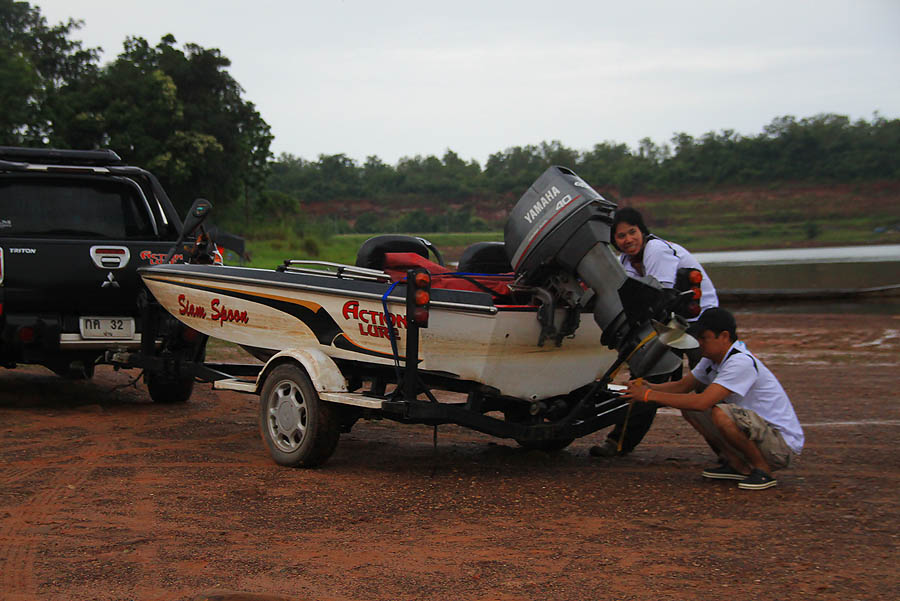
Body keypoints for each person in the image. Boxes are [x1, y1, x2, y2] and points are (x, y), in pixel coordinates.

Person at [621, 308, 804, 490]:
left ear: (724, 336)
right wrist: (648, 387)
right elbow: (682, 386)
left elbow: (703, 402)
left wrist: (648, 395)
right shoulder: (712, 359)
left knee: (720, 413)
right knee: (691, 407)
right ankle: (736, 465)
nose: (699, 343)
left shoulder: (740, 362)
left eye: (704, 338)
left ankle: (763, 470)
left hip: (779, 446)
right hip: (762, 435)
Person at [591, 207, 720, 457]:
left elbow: (660, 296)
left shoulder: (656, 249)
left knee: (707, 386)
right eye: (621, 236)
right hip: (671, 324)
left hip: (699, 322)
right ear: (613, 241)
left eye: (632, 232)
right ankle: (618, 443)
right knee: (647, 379)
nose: (628, 240)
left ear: (642, 231)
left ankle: (728, 447)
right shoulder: (626, 262)